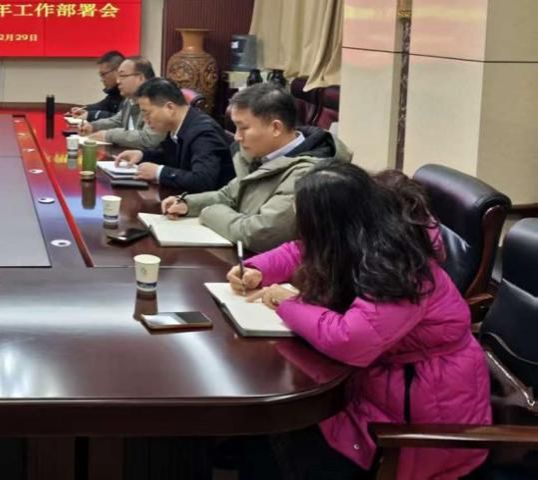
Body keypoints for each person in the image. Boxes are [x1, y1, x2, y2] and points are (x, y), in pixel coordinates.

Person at [227, 164, 490, 479]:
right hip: (377, 385)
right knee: (263, 434)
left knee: (277, 438)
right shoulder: (367, 227)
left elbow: (351, 340)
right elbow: (306, 250)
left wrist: (288, 304)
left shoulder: (400, 267)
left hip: (416, 423)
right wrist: (258, 269)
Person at [161, 82, 351, 252]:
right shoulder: (261, 155)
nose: (237, 137)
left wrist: (209, 212)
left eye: (243, 128)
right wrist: (188, 203)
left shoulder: (307, 174)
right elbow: (229, 194)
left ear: (276, 128)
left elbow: (260, 234)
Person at [114, 78, 233, 192]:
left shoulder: (203, 133)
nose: (145, 120)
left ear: (170, 108)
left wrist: (159, 172)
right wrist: (142, 155)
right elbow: (170, 157)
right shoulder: (178, 125)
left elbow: (203, 180)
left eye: (147, 113)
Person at [79, 56, 161, 149]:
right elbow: (117, 121)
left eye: (122, 76)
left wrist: (109, 135)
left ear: (141, 78)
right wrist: (93, 126)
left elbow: (148, 138)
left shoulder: (158, 101)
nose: (118, 81)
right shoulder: (129, 100)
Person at [69, 50, 124, 122]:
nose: (102, 79)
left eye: (103, 74)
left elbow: (121, 120)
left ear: (118, 71)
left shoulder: (129, 93)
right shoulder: (115, 92)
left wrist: (91, 115)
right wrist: (83, 109)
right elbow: (102, 106)